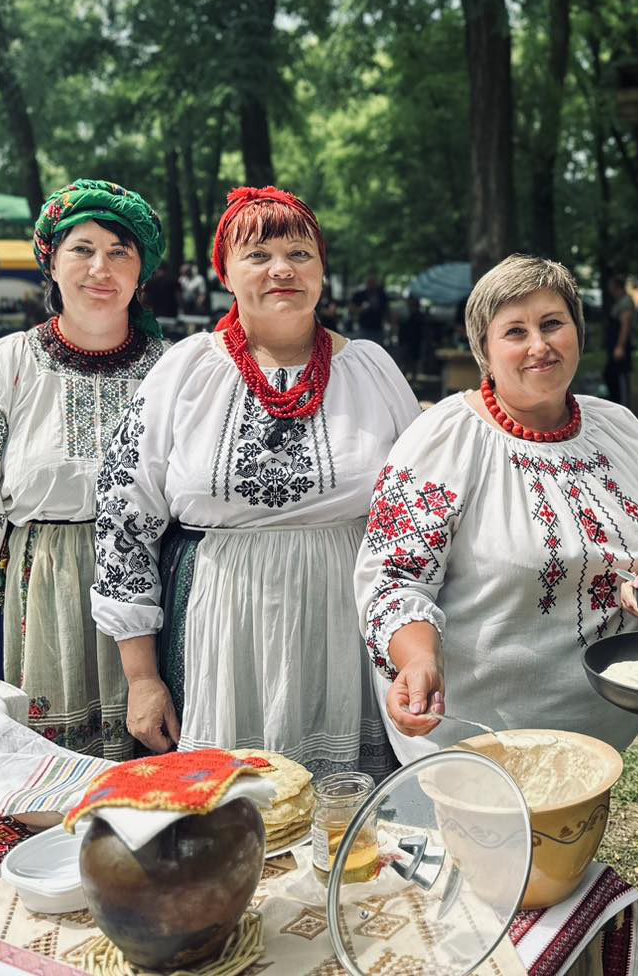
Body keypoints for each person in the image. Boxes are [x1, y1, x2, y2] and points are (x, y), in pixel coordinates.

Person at [91, 186, 419, 779]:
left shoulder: (372, 369)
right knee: (229, 818)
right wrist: (141, 677)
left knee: (349, 824)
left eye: (300, 253)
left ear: (322, 270)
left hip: (345, 630)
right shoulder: (185, 372)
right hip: (221, 630)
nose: (282, 269)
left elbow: (424, 514)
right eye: (258, 254)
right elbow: (123, 519)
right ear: (225, 273)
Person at [354, 255, 638, 763]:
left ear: (578, 334)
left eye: (552, 324)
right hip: (476, 737)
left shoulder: (622, 430)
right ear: (485, 352)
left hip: (599, 733)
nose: (539, 346)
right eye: (515, 332)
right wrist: (416, 659)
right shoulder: (443, 442)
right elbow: (393, 581)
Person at [0, 180, 167, 759]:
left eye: (120, 251)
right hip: (45, 596)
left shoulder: (176, 371)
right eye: (82, 249)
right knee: (48, 790)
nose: (100, 267)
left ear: (140, 274)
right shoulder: (1, 367)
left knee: (157, 787)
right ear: (50, 263)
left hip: (158, 597)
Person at [603, 274, 636, 408]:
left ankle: (623, 406)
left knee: (620, 376)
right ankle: (615, 403)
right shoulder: (619, 301)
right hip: (615, 345)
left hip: (621, 345)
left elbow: (626, 325)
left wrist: (620, 346)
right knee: (610, 375)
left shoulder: (625, 302)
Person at [350, 273, 388, 342]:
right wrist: (360, 309)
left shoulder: (381, 294)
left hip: (378, 326)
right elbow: (351, 308)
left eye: (373, 282)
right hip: (364, 326)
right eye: (370, 282)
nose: (372, 284)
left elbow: (385, 308)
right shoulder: (360, 294)